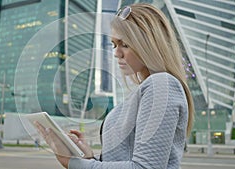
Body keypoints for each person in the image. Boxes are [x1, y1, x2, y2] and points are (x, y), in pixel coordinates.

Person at [35, 3, 194, 169]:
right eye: (114, 45)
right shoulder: (146, 89)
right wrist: (90, 158)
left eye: (124, 44)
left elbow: (146, 167)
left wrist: (74, 163)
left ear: (148, 43)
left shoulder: (162, 84)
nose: (116, 53)